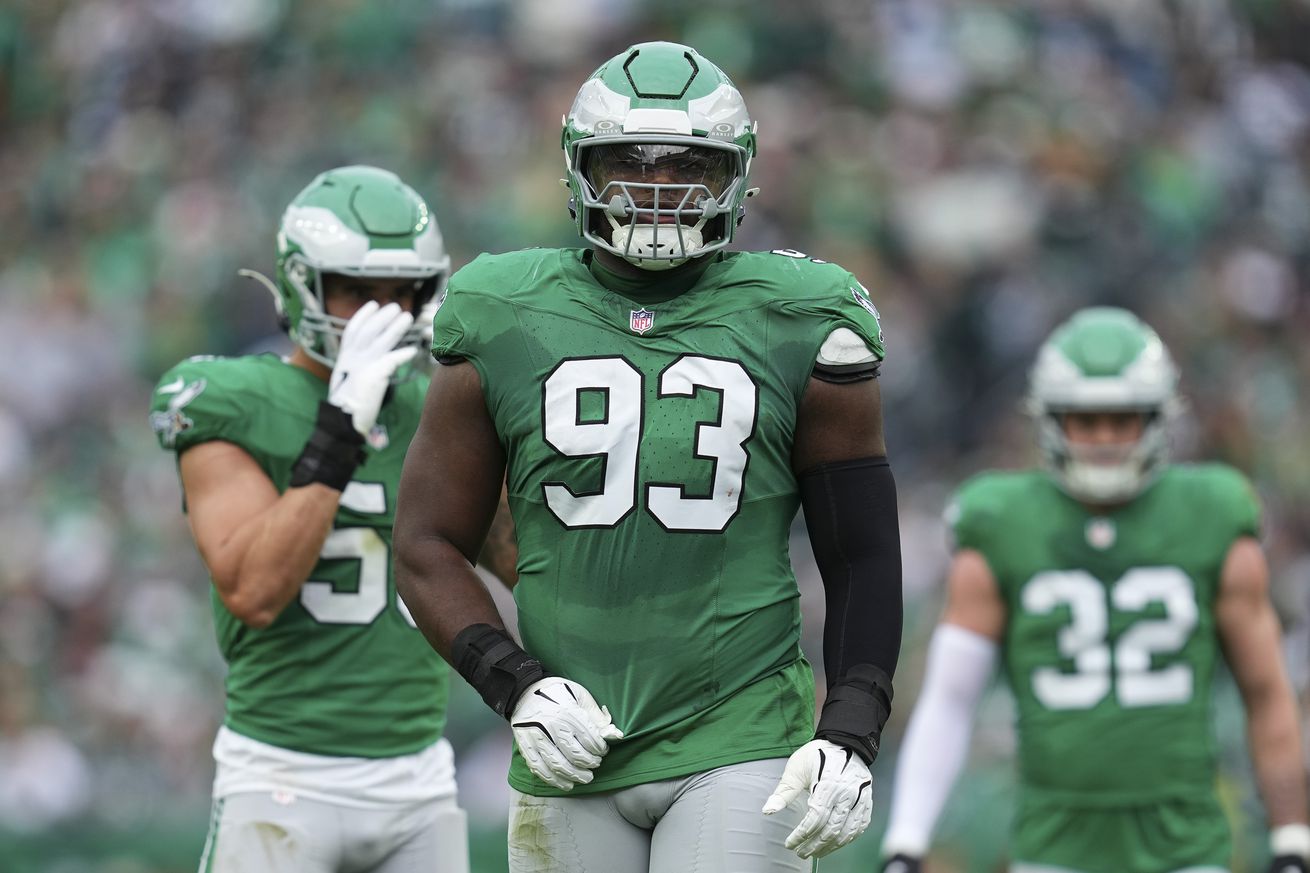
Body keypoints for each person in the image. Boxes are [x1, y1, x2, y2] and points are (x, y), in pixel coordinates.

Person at [393, 41, 903, 872]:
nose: (657, 189)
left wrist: (852, 720)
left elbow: (863, 554)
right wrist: (513, 681)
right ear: (577, 169)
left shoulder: (801, 316)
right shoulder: (501, 311)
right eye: (627, 162)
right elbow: (424, 542)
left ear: (736, 176)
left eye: (687, 166)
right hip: (570, 740)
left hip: (739, 734)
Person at [150, 165, 514, 873]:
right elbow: (254, 588)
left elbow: (527, 561)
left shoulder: (433, 403)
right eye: (356, 291)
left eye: (401, 292)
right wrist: (341, 424)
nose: (383, 313)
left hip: (418, 781)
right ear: (302, 285)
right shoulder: (234, 397)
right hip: (282, 778)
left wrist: (497, 386)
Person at [878, 307, 1310, 873]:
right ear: (1051, 421)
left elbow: (1267, 692)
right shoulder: (1003, 521)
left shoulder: (1212, 513)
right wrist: (907, 840)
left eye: (1122, 418)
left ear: (1157, 420)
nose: (1104, 438)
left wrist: (1292, 838)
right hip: (1052, 847)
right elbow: (950, 700)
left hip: (1186, 847)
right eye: (1086, 419)